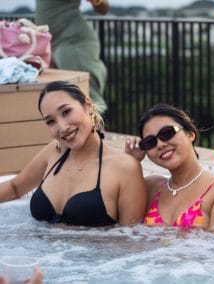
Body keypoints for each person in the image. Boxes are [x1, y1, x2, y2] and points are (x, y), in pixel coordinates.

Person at [0, 81, 146, 227]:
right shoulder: (54, 151)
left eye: (66, 112)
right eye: (51, 121)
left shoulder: (125, 167)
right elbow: (15, 188)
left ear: (88, 105)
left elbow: (131, 240)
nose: (62, 128)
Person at [125, 104, 214, 230]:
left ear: (190, 134)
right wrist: (131, 162)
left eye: (167, 133)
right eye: (150, 142)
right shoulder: (151, 187)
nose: (160, 144)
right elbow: (126, 228)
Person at [35, 0, 109, 111]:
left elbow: (103, 8)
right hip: (52, 43)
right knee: (61, 99)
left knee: (88, 98)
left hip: (73, 41)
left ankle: (96, 128)